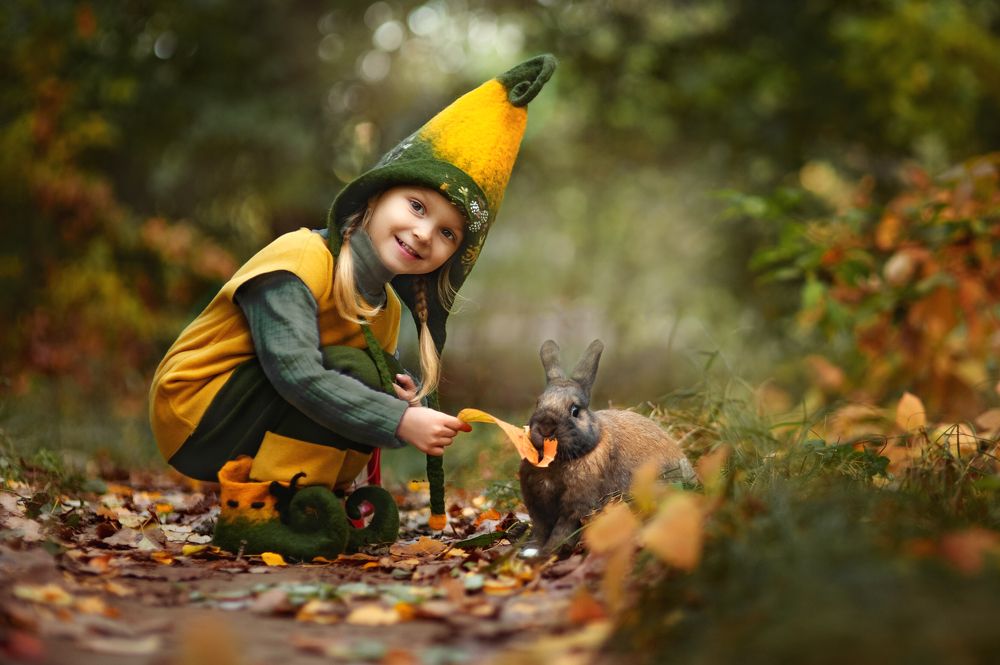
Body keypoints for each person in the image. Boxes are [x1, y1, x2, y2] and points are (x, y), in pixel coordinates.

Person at [148, 54, 557, 558]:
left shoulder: (385, 309)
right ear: (376, 197)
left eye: (447, 233)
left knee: (373, 372)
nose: (423, 233)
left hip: (250, 414)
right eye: (416, 206)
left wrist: (402, 400)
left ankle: (318, 501)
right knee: (351, 369)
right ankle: (258, 514)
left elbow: (360, 389)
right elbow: (296, 372)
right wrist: (398, 421)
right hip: (195, 411)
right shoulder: (301, 258)